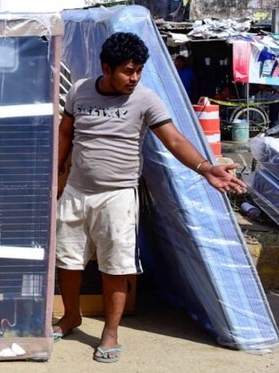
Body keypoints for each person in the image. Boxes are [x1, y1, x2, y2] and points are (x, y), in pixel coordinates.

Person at [53, 32, 246, 364]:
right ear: (107, 68)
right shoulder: (80, 91)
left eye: (139, 70)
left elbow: (173, 139)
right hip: (76, 193)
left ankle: (110, 333)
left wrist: (206, 168)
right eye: (128, 71)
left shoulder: (145, 100)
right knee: (67, 262)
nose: (135, 77)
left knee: (116, 267)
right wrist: (55, 175)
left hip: (117, 197)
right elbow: (66, 132)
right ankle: (71, 317)